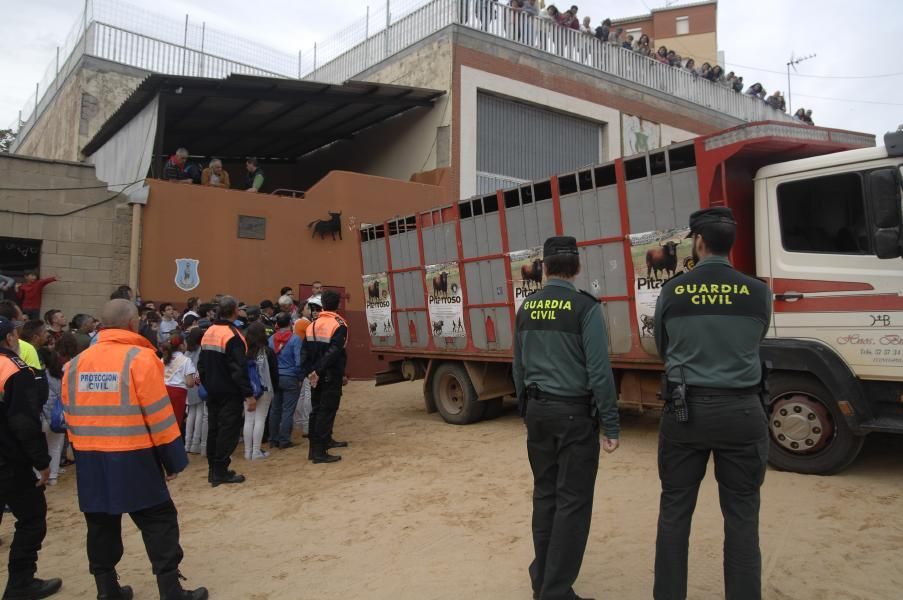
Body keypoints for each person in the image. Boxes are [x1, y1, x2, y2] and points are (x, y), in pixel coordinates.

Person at [652, 208, 772, 600]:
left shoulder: (673, 290)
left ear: (699, 242)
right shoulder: (758, 291)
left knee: (674, 513)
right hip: (742, 413)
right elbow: (754, 342)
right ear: (730, 243)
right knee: (741, 518)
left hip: (686, 413)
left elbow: (663, 349)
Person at [61, 300, 207, 600]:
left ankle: (107, 590)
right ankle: (170, 590)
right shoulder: (140, 358)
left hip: (90, 456)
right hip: (134, 454)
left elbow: (69, 412)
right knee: (160, 522)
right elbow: (158, 414)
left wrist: (80, 450)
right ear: (131, 323)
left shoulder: (76, 363)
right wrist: (172, 460)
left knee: (100, 525)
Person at [512, 236, 619, 600]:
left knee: (545, 495)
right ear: (576, 268)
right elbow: (600, 373)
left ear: (543, 267)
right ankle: (555, 591)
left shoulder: (527, 307)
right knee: (573, 502)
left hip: (539, 413)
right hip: (574, 415)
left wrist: (526, 410)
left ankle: (542, 577)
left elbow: (518, 366)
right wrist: (611, 423)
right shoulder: (584, 307)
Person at [0, 316, 63, 600]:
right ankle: (21, 583)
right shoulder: (15, 369)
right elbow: (24, 422)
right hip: (9, 460)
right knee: (32, 518)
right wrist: (42, 462)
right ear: (10, 338)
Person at [198, 296, 253, 486]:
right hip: (229, 391)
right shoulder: (233, 335)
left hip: (212, 390)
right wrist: (248, 393)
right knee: (227, 431)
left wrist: (208, 383)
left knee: (214, 429)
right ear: (235, 311)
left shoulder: (209, 332)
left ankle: (213, 469)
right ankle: (220, 470)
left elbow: (201, 364)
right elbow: (239, 369)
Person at [301, 290, 349, 464]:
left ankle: (314, 449)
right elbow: (335, 352)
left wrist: (309, 372)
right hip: (329, 374)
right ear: (338, 305)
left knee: (316, 411)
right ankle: (320, 452)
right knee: (326, 412)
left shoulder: (312, 324)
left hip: (315, 375)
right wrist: (319, 370)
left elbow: (304, 351)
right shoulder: (339, 324)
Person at [244, 322, 278, 460]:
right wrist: (274, 388)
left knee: (248, 419)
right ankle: (256, 451)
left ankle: (247, 452)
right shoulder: (268, 351)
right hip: (265, 388)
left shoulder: (244, 351)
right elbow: (274, 373)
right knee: (260, 419)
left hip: (248, 389)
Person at [268, 313, 302, 450]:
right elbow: (298, 361)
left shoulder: (271, 339)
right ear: (290, 323)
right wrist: (299, 377)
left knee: (275, 409)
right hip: (290, 376)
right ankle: (284, 440)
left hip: (275, 377)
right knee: (288, 410)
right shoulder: (295, 339)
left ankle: (273, 439)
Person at [162, 334, 198, 432]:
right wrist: (196, 379)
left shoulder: (163, 359)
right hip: (178, 394)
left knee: (164, 422)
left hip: (163, 391)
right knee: (175, 424)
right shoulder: (186, 360)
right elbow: (190, 383)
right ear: (182, 346)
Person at [183, 329, 206, 456]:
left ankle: (188, 443)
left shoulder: (187, 351)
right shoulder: (201, 350)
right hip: (198, 383)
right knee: (199, 414)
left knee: (191, 413)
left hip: (188, 383)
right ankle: (196, 443)